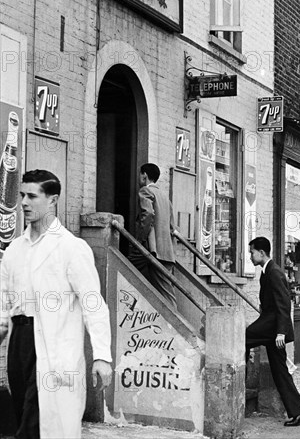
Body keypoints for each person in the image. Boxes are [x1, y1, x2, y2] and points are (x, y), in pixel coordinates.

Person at [0, 169, 112, 439]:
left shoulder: (72, 248)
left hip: (54, 345)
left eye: (32, 196)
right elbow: (4, 305)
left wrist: (102, 356)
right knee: (23, 417)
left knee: (37, 423)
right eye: (22, 195)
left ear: (52, 200)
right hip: (20, 343)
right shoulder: (15, 250)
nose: (24, 202)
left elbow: (93, 304)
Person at [246, 236, 300, 427]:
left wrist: (281, 332)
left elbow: (284, 303)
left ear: (262, 253)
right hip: (270, 325)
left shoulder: (274, 272)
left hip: (272, 327)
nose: (250, 256)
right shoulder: (267, 272)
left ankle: (240, 381)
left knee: (240, 339)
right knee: (280, 371)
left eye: (252, 252)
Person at [134, 163, 177, 308]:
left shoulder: (145, 191)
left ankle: (176, 326)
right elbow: (172, 226)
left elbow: (148, 214)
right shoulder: (164, 196)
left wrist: (140, 239)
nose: (139, 177)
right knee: (165, 292)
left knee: (166, 294)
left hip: (154, 250)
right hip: (166, 252)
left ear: (144, 175)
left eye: (140, 174)